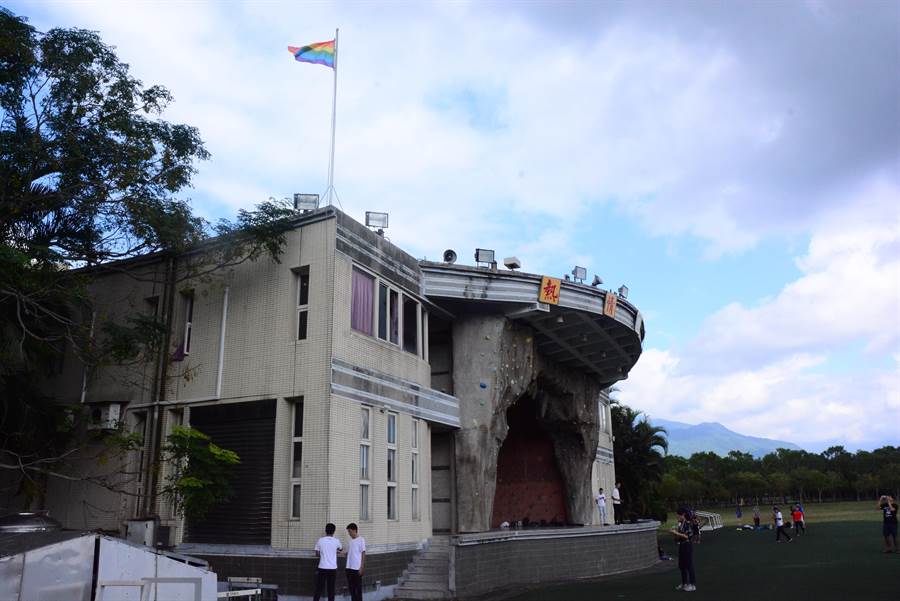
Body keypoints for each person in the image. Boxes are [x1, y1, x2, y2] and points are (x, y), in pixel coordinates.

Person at [313, 523, 342, 601]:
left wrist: (323, 554)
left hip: (322, 567)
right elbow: (340, 549)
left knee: (319, 588)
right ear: (334, 531)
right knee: (331, 589)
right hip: (332, 568)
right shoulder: (336, 541)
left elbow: (317, 553)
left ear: (325, 531)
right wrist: (334, 551)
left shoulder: (320, 540)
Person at [671, 507, 697, 592]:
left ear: (683, 515)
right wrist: (674, 533)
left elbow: (687, 536)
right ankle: (684, 583)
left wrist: (676, 533)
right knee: (682, 566)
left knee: (689, 565)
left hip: (687, 546)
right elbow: (679, 537)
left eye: (678, 515)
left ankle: (692, 585)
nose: (677, 517)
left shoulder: (688, 523)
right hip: (682, 546)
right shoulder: (680, 524)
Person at [345, 523, 366, 601]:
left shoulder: (361, 540)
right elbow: (348, 553)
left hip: (357, 568)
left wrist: (362, 567)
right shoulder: (350, 541)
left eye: (350, 531)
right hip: (348, 568)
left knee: (358, 589)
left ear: (354, 530)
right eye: (348, 532)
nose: (349, 533)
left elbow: (363, 553)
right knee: (352, 589)